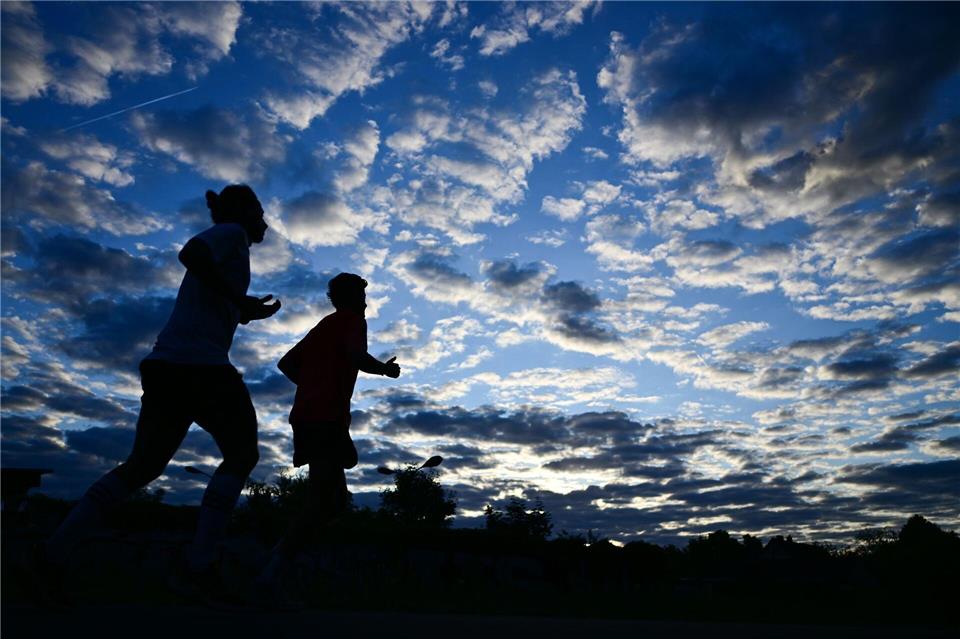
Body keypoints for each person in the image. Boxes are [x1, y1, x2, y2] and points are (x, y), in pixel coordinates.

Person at [38, 184, 281, 604]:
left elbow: (209, 291)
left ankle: (51, 554)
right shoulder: (231, 234)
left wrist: (242, 310)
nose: (264, 221)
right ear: (244, 212)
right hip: (200, 366)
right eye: (259, 211)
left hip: (168, 364)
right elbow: (190, 254)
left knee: (143, 466)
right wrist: (237, 298)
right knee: (242, 455)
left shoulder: (230, 247)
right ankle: (198, 566)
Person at [255, 272, 400, 604]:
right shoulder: (350, 320)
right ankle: (270, 573)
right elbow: (356, 356)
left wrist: (311, 386)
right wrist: (384, 371)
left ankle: (277, 558)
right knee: (324, 500)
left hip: (310, 417)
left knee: (333, 501)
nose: (365, 303)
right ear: (350, 298)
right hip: (324, 418)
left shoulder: (325, 325)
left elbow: (286, 363)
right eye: (362, 297)